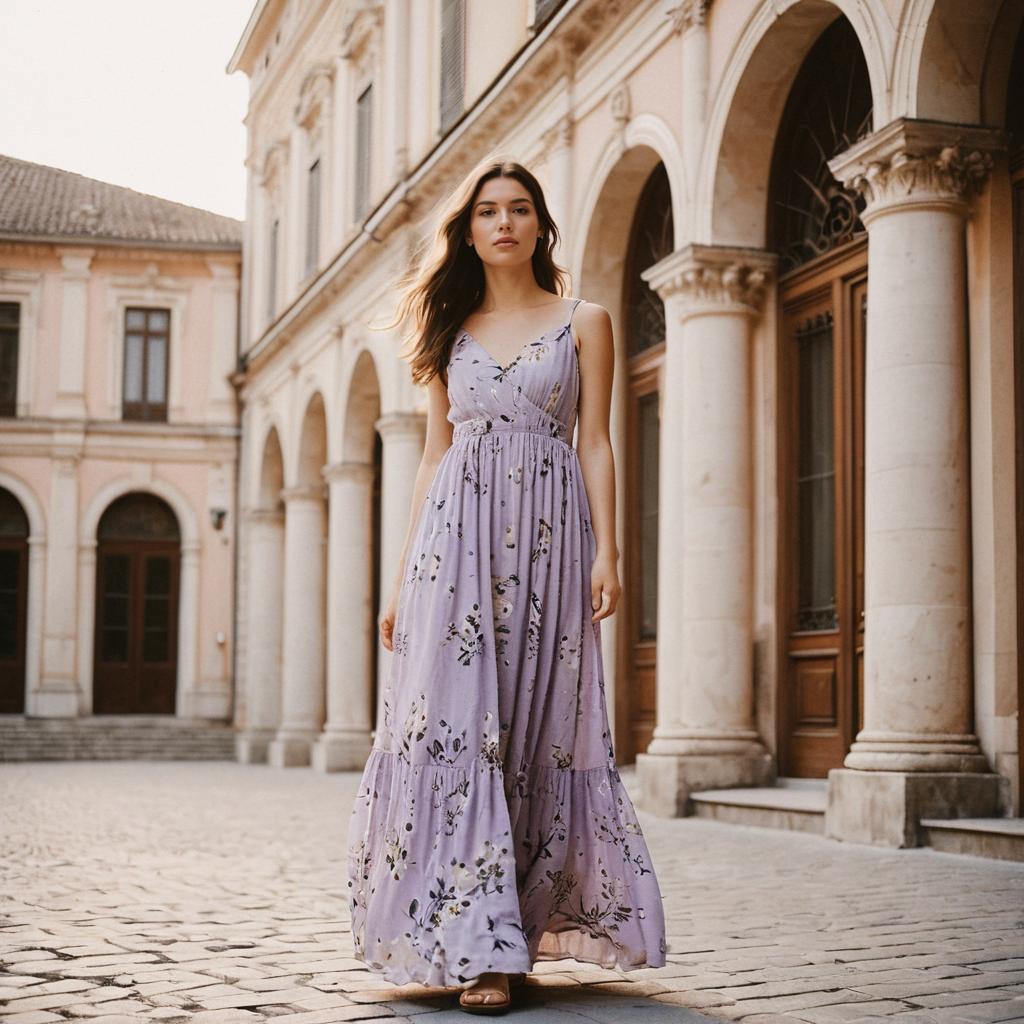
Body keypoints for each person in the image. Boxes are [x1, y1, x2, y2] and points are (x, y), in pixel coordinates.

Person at [346, 155, 667, 1015]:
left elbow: (596, 442)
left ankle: (511, 941)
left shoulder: (585, 320)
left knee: (533, 734)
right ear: (470, 230)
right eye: (487, 210)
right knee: (461, 732)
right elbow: (431, 457)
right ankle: (472, 942)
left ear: (539, 225)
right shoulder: (449, 331)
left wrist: (609, 553)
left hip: (551, 546)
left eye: (518, 208)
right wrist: (400, 576)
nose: (503, 223)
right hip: (455, 549)